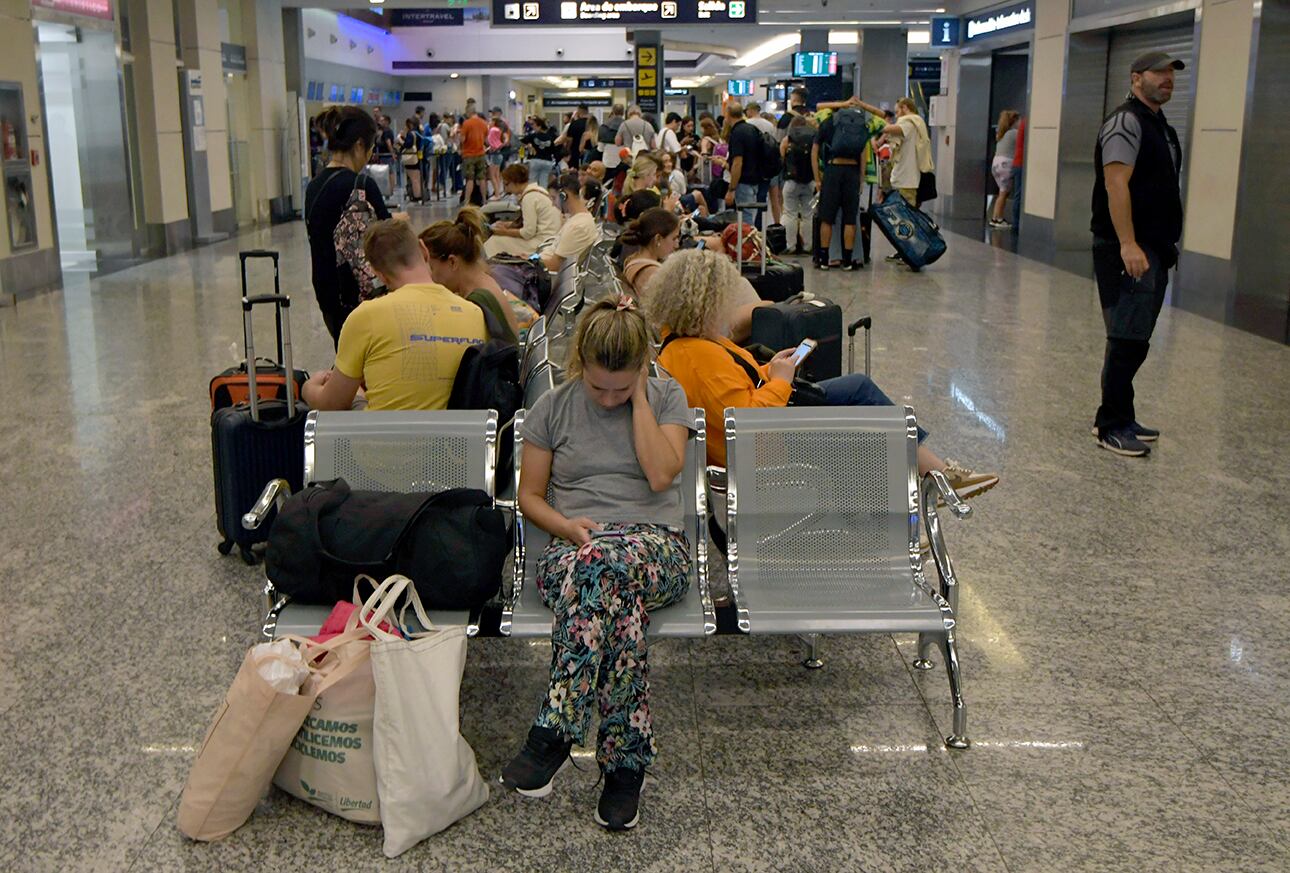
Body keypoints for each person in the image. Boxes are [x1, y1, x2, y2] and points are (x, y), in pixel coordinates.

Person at [500, 297, 696, 832]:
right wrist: (566, 528)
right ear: (579, 362)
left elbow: (661, 476)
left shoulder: (667, 396)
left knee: (603, 572)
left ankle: (558, 728)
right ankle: (624, 766)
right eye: (598, 386)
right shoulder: (553, 408)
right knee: (610, 592)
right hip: (573, 545)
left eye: (622, 386)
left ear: (641, 369)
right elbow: (531, 496)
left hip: (654, 544)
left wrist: (640, 403)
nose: (608, 398)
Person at [647, 249, 1001, 506]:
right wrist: (782, 381)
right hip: (763, 448)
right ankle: (933, 482)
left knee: (858, 395)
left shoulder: (685, 344)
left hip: (760, 434)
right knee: (860, 407)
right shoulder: (699, 354)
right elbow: (746, 419)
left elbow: (738, 386)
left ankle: (933, 479)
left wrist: (773, 370)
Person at [1090, 51, 1184, 457]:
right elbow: (1116, 184)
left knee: (1137, 337)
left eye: (1171, 74)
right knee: (1126, 336)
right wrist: (1128, 242)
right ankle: (1110, 425)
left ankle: (1121, 415)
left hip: (1154, 247)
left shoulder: (1158, 125)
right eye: (1158, 72)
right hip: (1126, 247)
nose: (1167, 79)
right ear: (1135, 78)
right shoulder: (1125, 122)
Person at [302, 220, 487, 411]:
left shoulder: (367, 316)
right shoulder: (474, 313)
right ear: (424, 250)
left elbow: (332, 405)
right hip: (457, 439)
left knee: (351, 391)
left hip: (385, 438)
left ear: (380, 275)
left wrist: (308, 388)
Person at [304, 106, 395, 345]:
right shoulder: (361, 185)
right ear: (358, 145)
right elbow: (388, 235)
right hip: (361, 294)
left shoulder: (314, 186)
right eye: (371, 146)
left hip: (328, 291)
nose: (371, 153)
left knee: (346, 355)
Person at [420, 209, 523, 344]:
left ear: (452, 262)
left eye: (432, 268)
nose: (430, 277)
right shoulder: (484, 281)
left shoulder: (475, 305)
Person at [812, 103, 871, 270]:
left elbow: (815, 150)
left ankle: (824, 258)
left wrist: (817, 178)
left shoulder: (829, 122)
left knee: (827, 217)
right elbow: (862, 152)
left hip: (833, 170)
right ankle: (847, 260)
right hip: (852, 172)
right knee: (850, 218)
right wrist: (861, 178)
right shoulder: (859, 125)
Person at [483, 163, 564, 258]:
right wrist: (509, 225)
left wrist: (502, 232)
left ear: (515, 182)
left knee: (495, 241)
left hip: (541, 242)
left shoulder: (529, 198)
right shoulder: (538, 191)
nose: (506, 189)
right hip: (550, 238)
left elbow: (528, 233)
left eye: (506, 184)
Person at [541, 172, 602, 272]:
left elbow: (555, 265)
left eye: (553, 198)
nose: (552, 204)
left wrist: (527, 262)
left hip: (543, 275)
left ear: (563, 196)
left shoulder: (578, 226)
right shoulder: (578, 219)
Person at [723, 101, 768, 227]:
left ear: (728, 114)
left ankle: (747, 244)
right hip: (756, 180)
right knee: (751, 215)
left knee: (745, 219)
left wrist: (731, 189)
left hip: (743, 181)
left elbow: (737, 162)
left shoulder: (737, 133)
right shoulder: (752, 129)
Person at [621, 207, 681, 299]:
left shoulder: (632, 259)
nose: (676, 245)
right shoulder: (653, 273)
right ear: (658, 239)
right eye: (674, 238)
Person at [780, 115, 817, 255]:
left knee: (790, 214)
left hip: (791, 182)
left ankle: (791, 246)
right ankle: (808, 246)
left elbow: (782, 157)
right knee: (808, 214)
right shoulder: (813, 138)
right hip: (810, 181)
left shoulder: (788, 138)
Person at [744, 102, 781, 225]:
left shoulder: (747, 124)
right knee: (769, 197)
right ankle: (773, 224)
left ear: (750, 110)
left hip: (753, 165)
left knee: (753, 197)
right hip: (769, 165)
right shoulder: (770, 125)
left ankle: (755, 224)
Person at [990, 110, 1021, 228]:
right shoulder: (1014, 133)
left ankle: (995, 217)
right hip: (1006, 164)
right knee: (1004, 193)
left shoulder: (1002, 133)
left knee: (1001, 192)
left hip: (996, 163)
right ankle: (998, 219)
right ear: (1014, 121)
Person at [660, 151, 706, 216]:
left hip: (679, 208)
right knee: (699, 201)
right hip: (674, 213)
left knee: (701, 209)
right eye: (665, 162)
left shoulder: (666, 179)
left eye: (670, 161)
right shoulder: (662, 183)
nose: (669, 164)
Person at [459, 110, 489, 207]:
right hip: (481, 153)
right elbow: (486, 140)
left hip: (469, 155)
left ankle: (467, 201)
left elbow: (462, 139)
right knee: (482, 178)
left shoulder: (466, 123)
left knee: (470, 179)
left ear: (469, 113)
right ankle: (484, 200)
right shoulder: (484, 123)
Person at [522, 116, 559, 189]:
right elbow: (554, 150)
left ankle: (533, 197)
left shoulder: (533, 136)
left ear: (539, 126)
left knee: (532, 182)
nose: (532, 127)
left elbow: (521, 142)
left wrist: (529, 146)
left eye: (534, 125)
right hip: (547, 161)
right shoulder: (551, 136)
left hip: (536, 160)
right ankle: (542, 196)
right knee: (544, 182)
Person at [397, 118, 424, 202]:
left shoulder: (411, 134)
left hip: (410, 158)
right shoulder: (419, 133)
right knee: (417, 178)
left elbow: (408, 145)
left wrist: (400, 140)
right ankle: (420, 195)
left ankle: (416, 196)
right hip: (417, 157)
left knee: (413, 178)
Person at [559, 104, 590, 169]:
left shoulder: (574, 124)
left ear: (579, 111)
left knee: (574, 171)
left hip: (575, 152)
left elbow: (569, 139)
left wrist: (567, 150)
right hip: (589, 152)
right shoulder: (592, 124)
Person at [599, 104, 626, 173]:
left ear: (613, 111)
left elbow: (600, 148)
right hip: (623, 160)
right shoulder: (627, 125)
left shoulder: (604, 125)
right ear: (623, 112)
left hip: (608, 160)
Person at [486, 118, 507, 200]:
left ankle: (497, 194)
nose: (489, 122)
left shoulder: (493, 130)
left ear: (494, 122)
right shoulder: (499, 130)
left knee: (492, 175)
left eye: (491, 121)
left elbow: (491, 142)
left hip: (495, 155)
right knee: (497, 175)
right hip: (499, 154)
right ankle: (498, 192)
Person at [1010, 116, 1025, 227]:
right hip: (1021, 163)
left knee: (1017, 194)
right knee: (1019, 194)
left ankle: (1016, 222)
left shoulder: (1023, 124)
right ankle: (1016, 223)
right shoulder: (1027, 123)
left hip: (1017, 163)